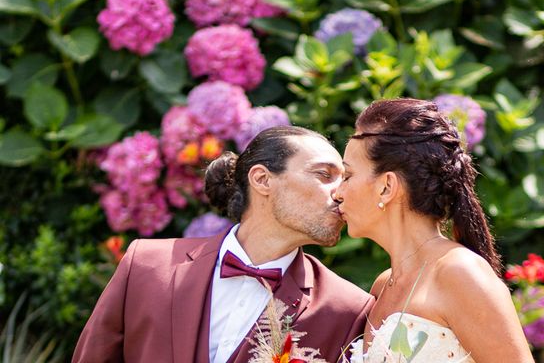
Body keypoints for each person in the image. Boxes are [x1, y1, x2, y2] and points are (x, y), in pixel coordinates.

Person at [73, 126, 374, 363]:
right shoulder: (146, 264)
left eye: (345, 178)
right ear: (262, 180)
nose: (341, 193)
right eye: (325, 175)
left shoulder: (346, 310)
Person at [335, 99, 534, 363]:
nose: (338, 193)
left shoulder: (459, 272)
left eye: (347, 176)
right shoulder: (382, 286)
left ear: (386, 186)